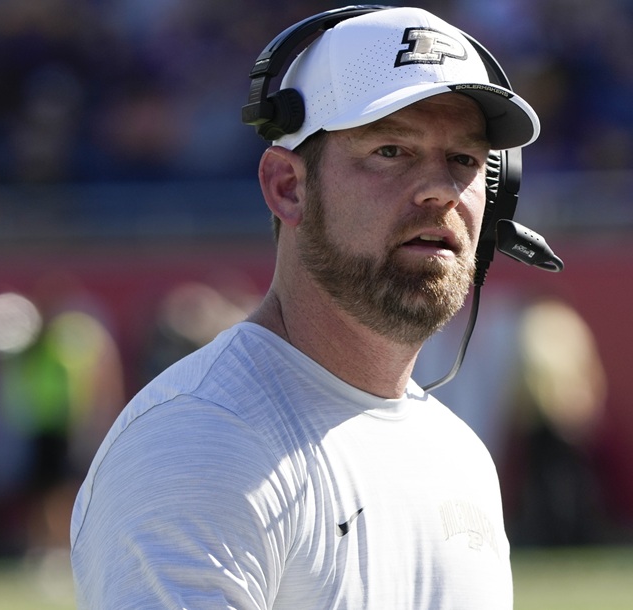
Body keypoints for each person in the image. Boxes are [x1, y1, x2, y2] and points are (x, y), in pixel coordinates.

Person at [69, 6, 541, 608]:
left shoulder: (459, 455)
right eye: (391, 150)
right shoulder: (199, 443)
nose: (440, 189)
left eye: (465, 161)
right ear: (288, 187)